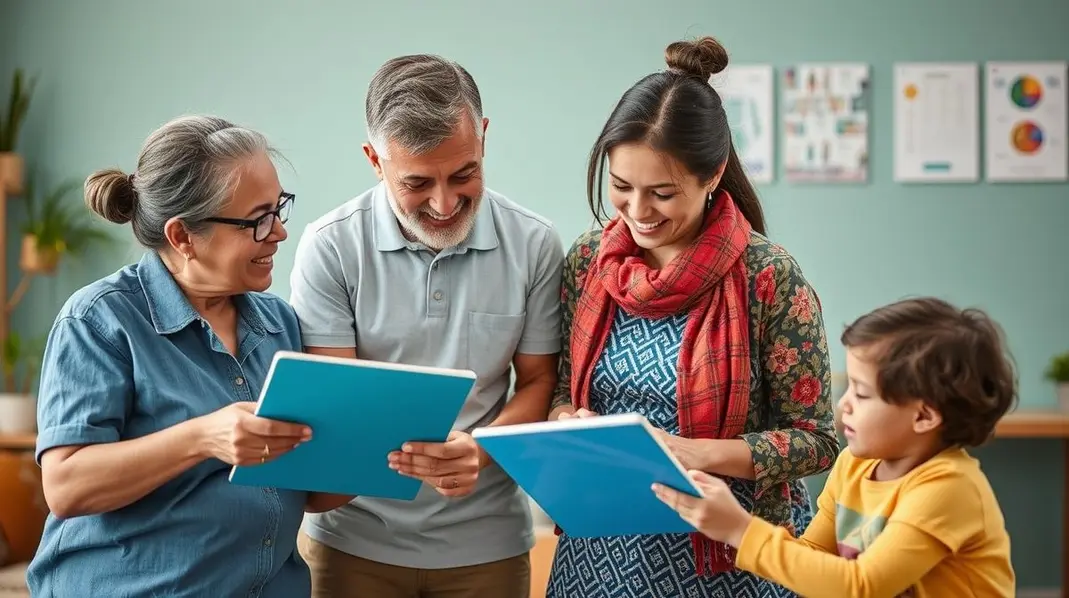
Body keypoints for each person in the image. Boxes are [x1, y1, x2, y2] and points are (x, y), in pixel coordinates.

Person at [547, 36, 840, 597]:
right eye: (621, 188)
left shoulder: (768, 276)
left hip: (732, 563)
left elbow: (817, 440)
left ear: (713, 175)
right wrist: (570, 424)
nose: (638, 211)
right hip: (597, 559)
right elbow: (563, 392)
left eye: (662, 193)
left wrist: (690, 453)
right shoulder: (588, 261)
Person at [26, 115, 353, 597]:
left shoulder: (280, 323)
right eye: (258, 220)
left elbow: (312, 494)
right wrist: (204, 437)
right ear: (182, 237)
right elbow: (68, 485)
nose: (279, 232)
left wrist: (384, 450)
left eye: (279, 208)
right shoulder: (99, 321)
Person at [289, 53, 564, 598]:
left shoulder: (534, 244)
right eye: (417, 182)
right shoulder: (330, 247)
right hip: (352, 542)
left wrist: (479, 448)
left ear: (483, 137)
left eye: (465, 174)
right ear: (375, 159)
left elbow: (537, 382)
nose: (444, 202)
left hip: (489, 543)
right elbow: (338, 406)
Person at [654, 297, 1018, 597]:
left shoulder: (949, 488)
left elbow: (861, 586)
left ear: (924, 416)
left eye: (860, 393)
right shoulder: (854, 465)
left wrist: (740, 530)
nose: (843, 404)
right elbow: (812, 556)